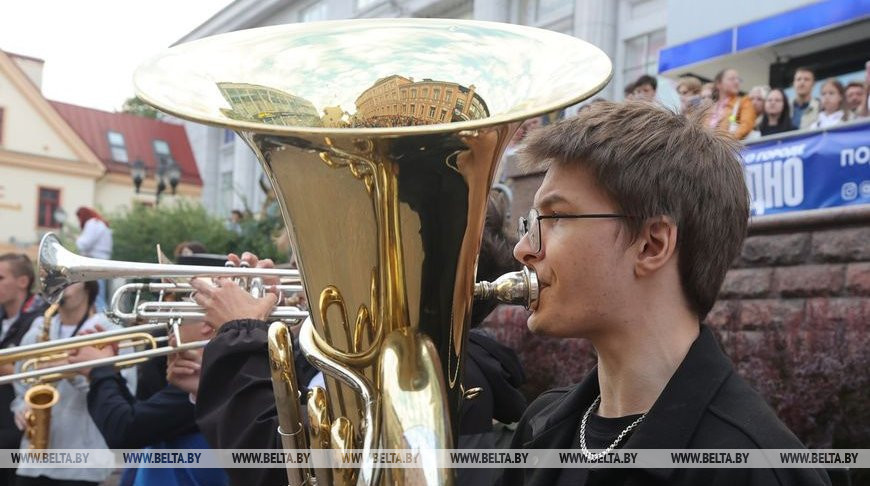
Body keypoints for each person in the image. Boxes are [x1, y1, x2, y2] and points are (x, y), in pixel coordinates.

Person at [501, 101, 829, 486]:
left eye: (554, 217)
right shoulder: (541, 422)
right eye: (532, 222)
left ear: (652, 245)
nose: (522, 248)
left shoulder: (756, 469)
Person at [12, 281, 135, 486]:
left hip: (82, 462)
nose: (60, 285)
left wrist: (69, 368)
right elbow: (21, 379)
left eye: (70, 280)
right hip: (33, 460)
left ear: (87, 284)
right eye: (55, 280)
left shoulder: (109, 329)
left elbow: (125, 391)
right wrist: (21, 407)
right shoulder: (39, 328)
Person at [0, 254, 48, 486]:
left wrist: (8, 369)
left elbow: (36, 372)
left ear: (22, 282)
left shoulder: (40, 321)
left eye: (0, 277)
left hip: (18, 424)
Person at [75, 207, 112, 312]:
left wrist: (77, 239)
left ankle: (104, 322)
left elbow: (83, 245)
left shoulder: (92, 223)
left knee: (96, 298)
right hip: (101, 262)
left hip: (94, 264)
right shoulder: (100, 224)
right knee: (99, 295)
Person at [707, 68, 756, 140]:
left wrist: (726, 142)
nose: (737, 82)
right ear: (718, 84)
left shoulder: (744, 102)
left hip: (727, 148)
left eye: (738, 79)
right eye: (732, 79)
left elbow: (746, 125)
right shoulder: (709, 108)